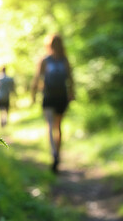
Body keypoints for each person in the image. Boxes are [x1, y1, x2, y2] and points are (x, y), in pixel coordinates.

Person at [31, 34, 74, 173]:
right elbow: (71, 79)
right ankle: (58, 153)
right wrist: (72, 94)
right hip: (61, 97)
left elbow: (37, 79)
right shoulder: (65, 60)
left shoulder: (45, 60)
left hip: (48, 97)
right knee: (58, 126)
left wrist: (33, 95)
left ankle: (53, 152)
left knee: (50, 125)